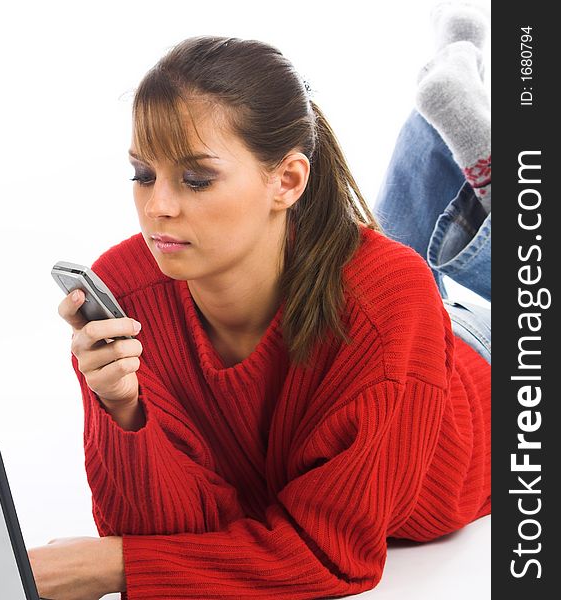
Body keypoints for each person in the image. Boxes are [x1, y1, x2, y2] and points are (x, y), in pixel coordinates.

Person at [30, 5, 491, 599]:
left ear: (289, 181)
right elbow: (166, 532)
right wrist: (123, 407)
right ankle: (444, 123)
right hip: (382, 320)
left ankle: (468, 145)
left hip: (488, 383)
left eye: (196, 180)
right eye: (143, 175)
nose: (157, 207)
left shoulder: (387, 302)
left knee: (410, 272)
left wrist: (109, 567)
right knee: (392, 255)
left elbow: (332, 554)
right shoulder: (126, 290)